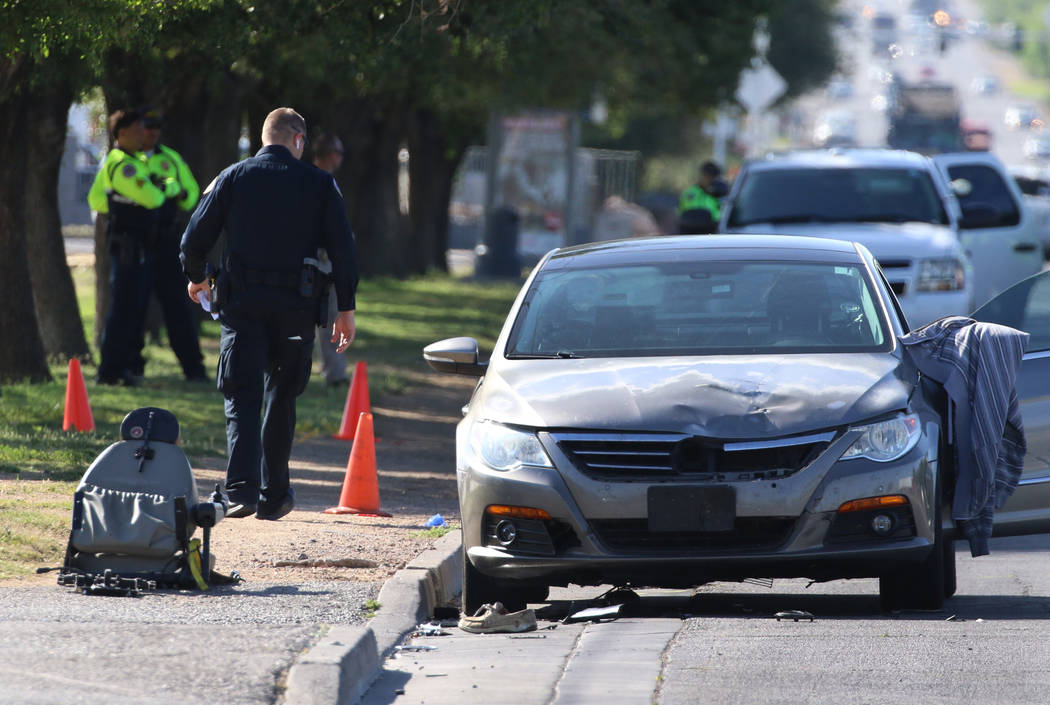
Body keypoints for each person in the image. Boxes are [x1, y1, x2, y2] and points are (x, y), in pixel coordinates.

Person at [180, 107, 358, 521]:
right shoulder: (320, 184)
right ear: (298, 139)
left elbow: (194, 239)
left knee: (242, 394)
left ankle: (242, 489)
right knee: (282, 396)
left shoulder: (233, 177)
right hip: (296, 309)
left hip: (242, 307)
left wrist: (196, 278)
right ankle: (275, 494)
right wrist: (345, 309)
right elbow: (344, 253)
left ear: (264, 138)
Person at [87, 108, 166, 386]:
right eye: (136, 131)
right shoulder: (124, 164)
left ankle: (124, 367)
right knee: (122, 309)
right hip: (127, 246)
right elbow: (153, 197)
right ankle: (109, 371)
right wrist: (155, 191)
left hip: (136, 245)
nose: (142, 135)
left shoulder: (130, 160)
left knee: (132, 309)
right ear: (121, 134)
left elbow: (98, 198)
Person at [131, 106, 208, 382]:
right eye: (147, 127)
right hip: (136, 243)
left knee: (177, 307)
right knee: (134, 306)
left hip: (165, 241)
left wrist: (172, 190)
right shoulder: (129, 159)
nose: (152, 133)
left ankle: (193, 368)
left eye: (156, 128)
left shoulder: (170, 159)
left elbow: (191, 194)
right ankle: (132, 365)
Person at [310, 131, 350, 387]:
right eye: (339, 152)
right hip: (321, 258)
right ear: (329, 154)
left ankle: (333, 370)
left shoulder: (317, 179)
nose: (341, 158)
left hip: (319, 256)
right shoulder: (320, 181)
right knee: (331, 315)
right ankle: (334, 373)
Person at [677, 160, 726, 234]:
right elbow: (680, 212)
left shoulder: (720, 193)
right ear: (701, 175)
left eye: (713, 177)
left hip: (711, 231)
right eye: (707, 176)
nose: (709, 179)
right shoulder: (689, 192)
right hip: (689, 231)